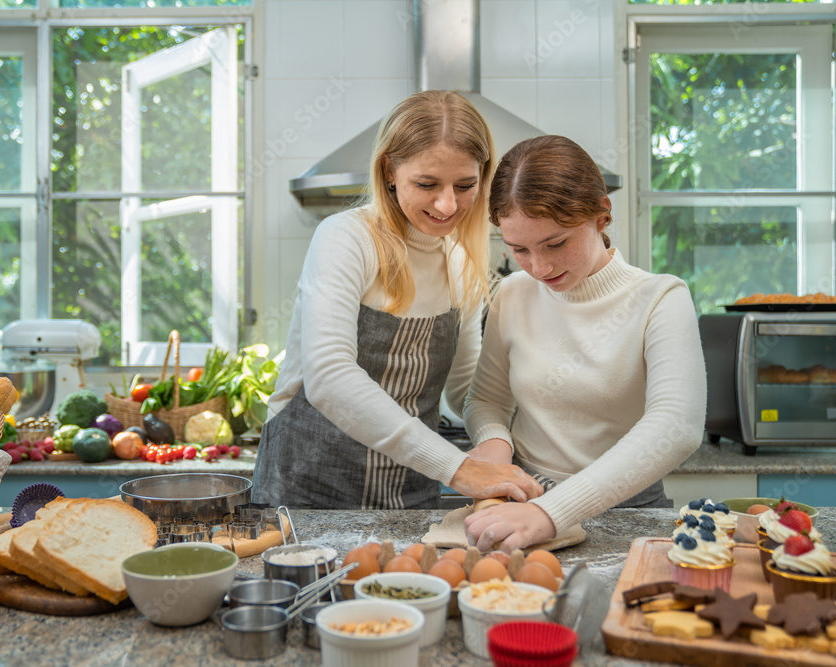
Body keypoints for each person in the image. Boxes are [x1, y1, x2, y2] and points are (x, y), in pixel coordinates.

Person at [252, 90, 542, 509]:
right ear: (389, 170)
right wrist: (459, 469)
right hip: (306, 491)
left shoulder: (461, 263)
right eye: (427, 184)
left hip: (407, 497)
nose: (448, 204)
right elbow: (329, 376)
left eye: (465, 185)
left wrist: (496, 436)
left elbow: (464, 390)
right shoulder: (346, 238)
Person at [462, 135, 707, 551]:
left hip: (627, 510)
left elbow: (677, 426)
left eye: (555, 243)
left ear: (601, 214)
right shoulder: (513, 294)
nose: (539, 267)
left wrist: (552, 512)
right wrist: (495, 444)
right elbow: (486, 400)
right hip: (523, 501)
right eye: (519, 249)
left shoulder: (661, 298)